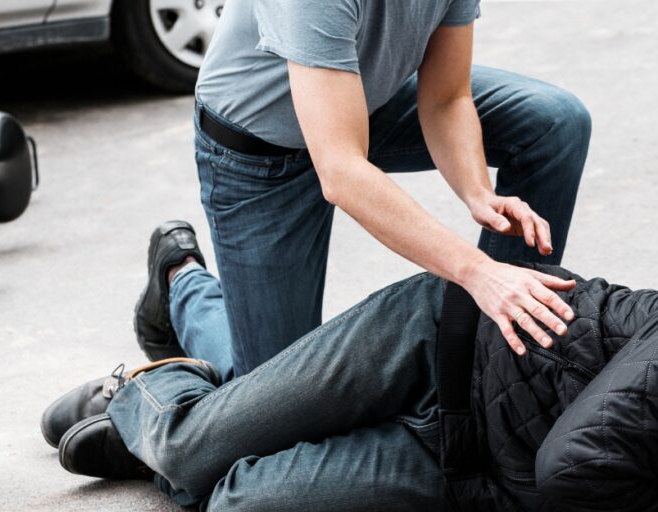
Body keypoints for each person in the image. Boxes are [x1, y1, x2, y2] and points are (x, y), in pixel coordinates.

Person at [42, 224, 658, 511]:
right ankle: (153, 381)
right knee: (186, 451)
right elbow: (574, 464)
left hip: (472, 476)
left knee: (232, 501)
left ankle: (187, 421)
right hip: (441, 341)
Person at [133, 0, 592, 379]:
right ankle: (182, 282)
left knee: (554, 121)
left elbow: (446, 97)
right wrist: (477, 271)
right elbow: (342, 171)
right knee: (271, 397)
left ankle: (491, 361)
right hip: (258, 153)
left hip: (364, 102)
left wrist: (478, 192)